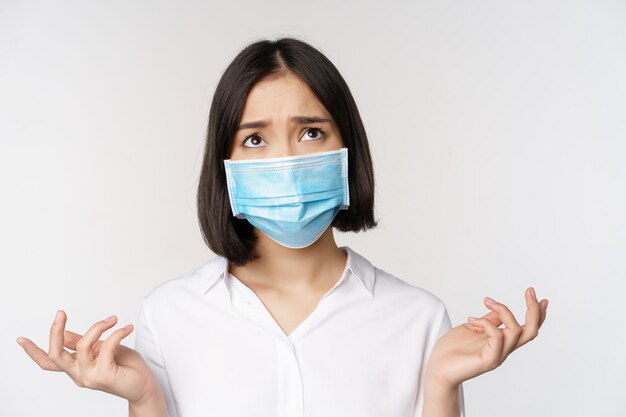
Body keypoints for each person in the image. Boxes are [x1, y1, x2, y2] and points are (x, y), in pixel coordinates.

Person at [16, 37, 549, 417]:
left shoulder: (419, 318)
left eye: (311, 132)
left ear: (347, 148)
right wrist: (144, 399)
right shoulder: (169, 314)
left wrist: (439, 389)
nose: (287, 159)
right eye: (254, 139)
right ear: (223, 165)